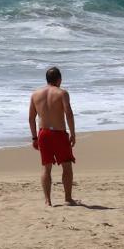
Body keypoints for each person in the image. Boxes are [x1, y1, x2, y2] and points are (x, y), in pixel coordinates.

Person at [28, 66, 77, 206]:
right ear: (59, 79)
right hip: (59, 133)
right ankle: (67, 198)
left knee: (46, 167)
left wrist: (34, 138)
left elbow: (31, 118)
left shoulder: (35, 94)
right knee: (66, 166)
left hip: (43, 134)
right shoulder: (62, 93)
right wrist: (73, 133)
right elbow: (68, 113)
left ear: (47, 79)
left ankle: (47, 200)